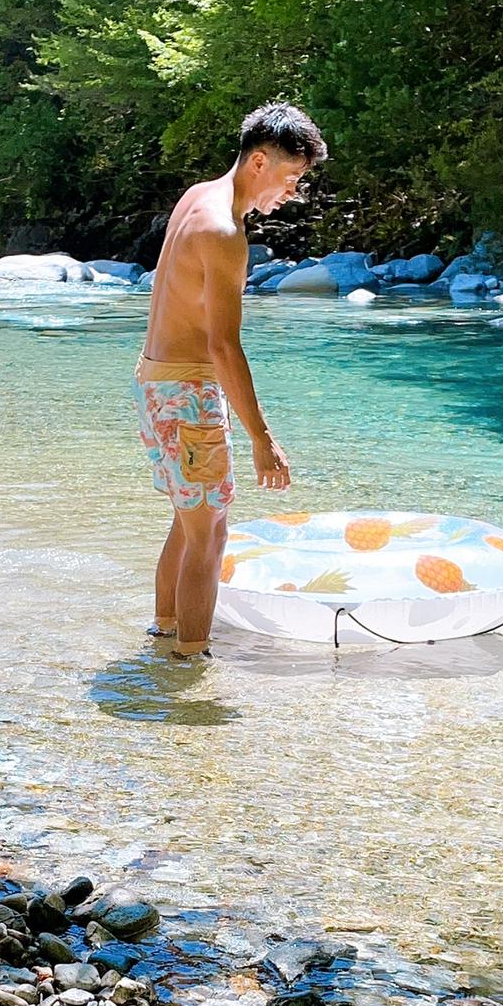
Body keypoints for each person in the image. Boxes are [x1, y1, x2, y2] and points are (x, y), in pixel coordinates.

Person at [136, 100, 327, 659]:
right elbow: (223, 346)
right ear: (259, 162)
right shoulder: (224, 231)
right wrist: (262, 439)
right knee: (211, 532)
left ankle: (165, 633)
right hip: (187, 392)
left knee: (188, 520)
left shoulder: (198, 196)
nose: (293, 192)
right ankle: (189, 664)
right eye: (291, 177)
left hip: (154, 381)